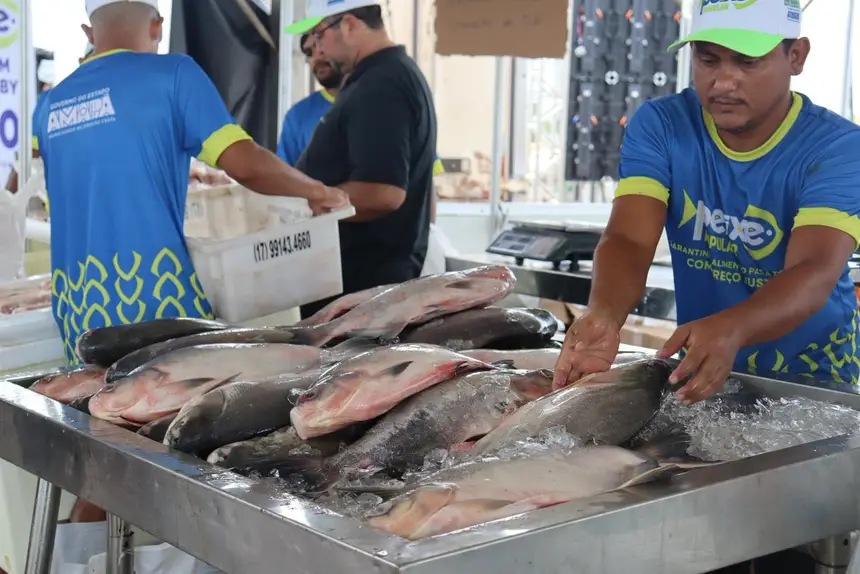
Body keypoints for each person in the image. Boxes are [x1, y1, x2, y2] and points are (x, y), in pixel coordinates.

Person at [553, 2, 860, 411]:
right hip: (701, 370)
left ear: (796, 56)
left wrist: (731, 329)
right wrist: (605, 314)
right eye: (708, 59)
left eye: (747, 62)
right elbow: (628, 237)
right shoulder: (663, 125)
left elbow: (814, 271)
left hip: (813, 381)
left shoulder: (837, 147)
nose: (724, 81)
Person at [283, 0, 438, 319]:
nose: (317, 48)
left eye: (319, 34)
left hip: (361, 298)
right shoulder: (376, 79)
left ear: (350, 25)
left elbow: (384, 192)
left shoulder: (381, 85)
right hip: (352, 292)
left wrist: (313, 199)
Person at [276, 32, 445, 211]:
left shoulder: (386, 92)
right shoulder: (298, 115)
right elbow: (286, 184)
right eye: (309, 52)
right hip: (324, 233)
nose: (318, 56)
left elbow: (420, 183)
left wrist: (430, 230)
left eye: (320, 45)